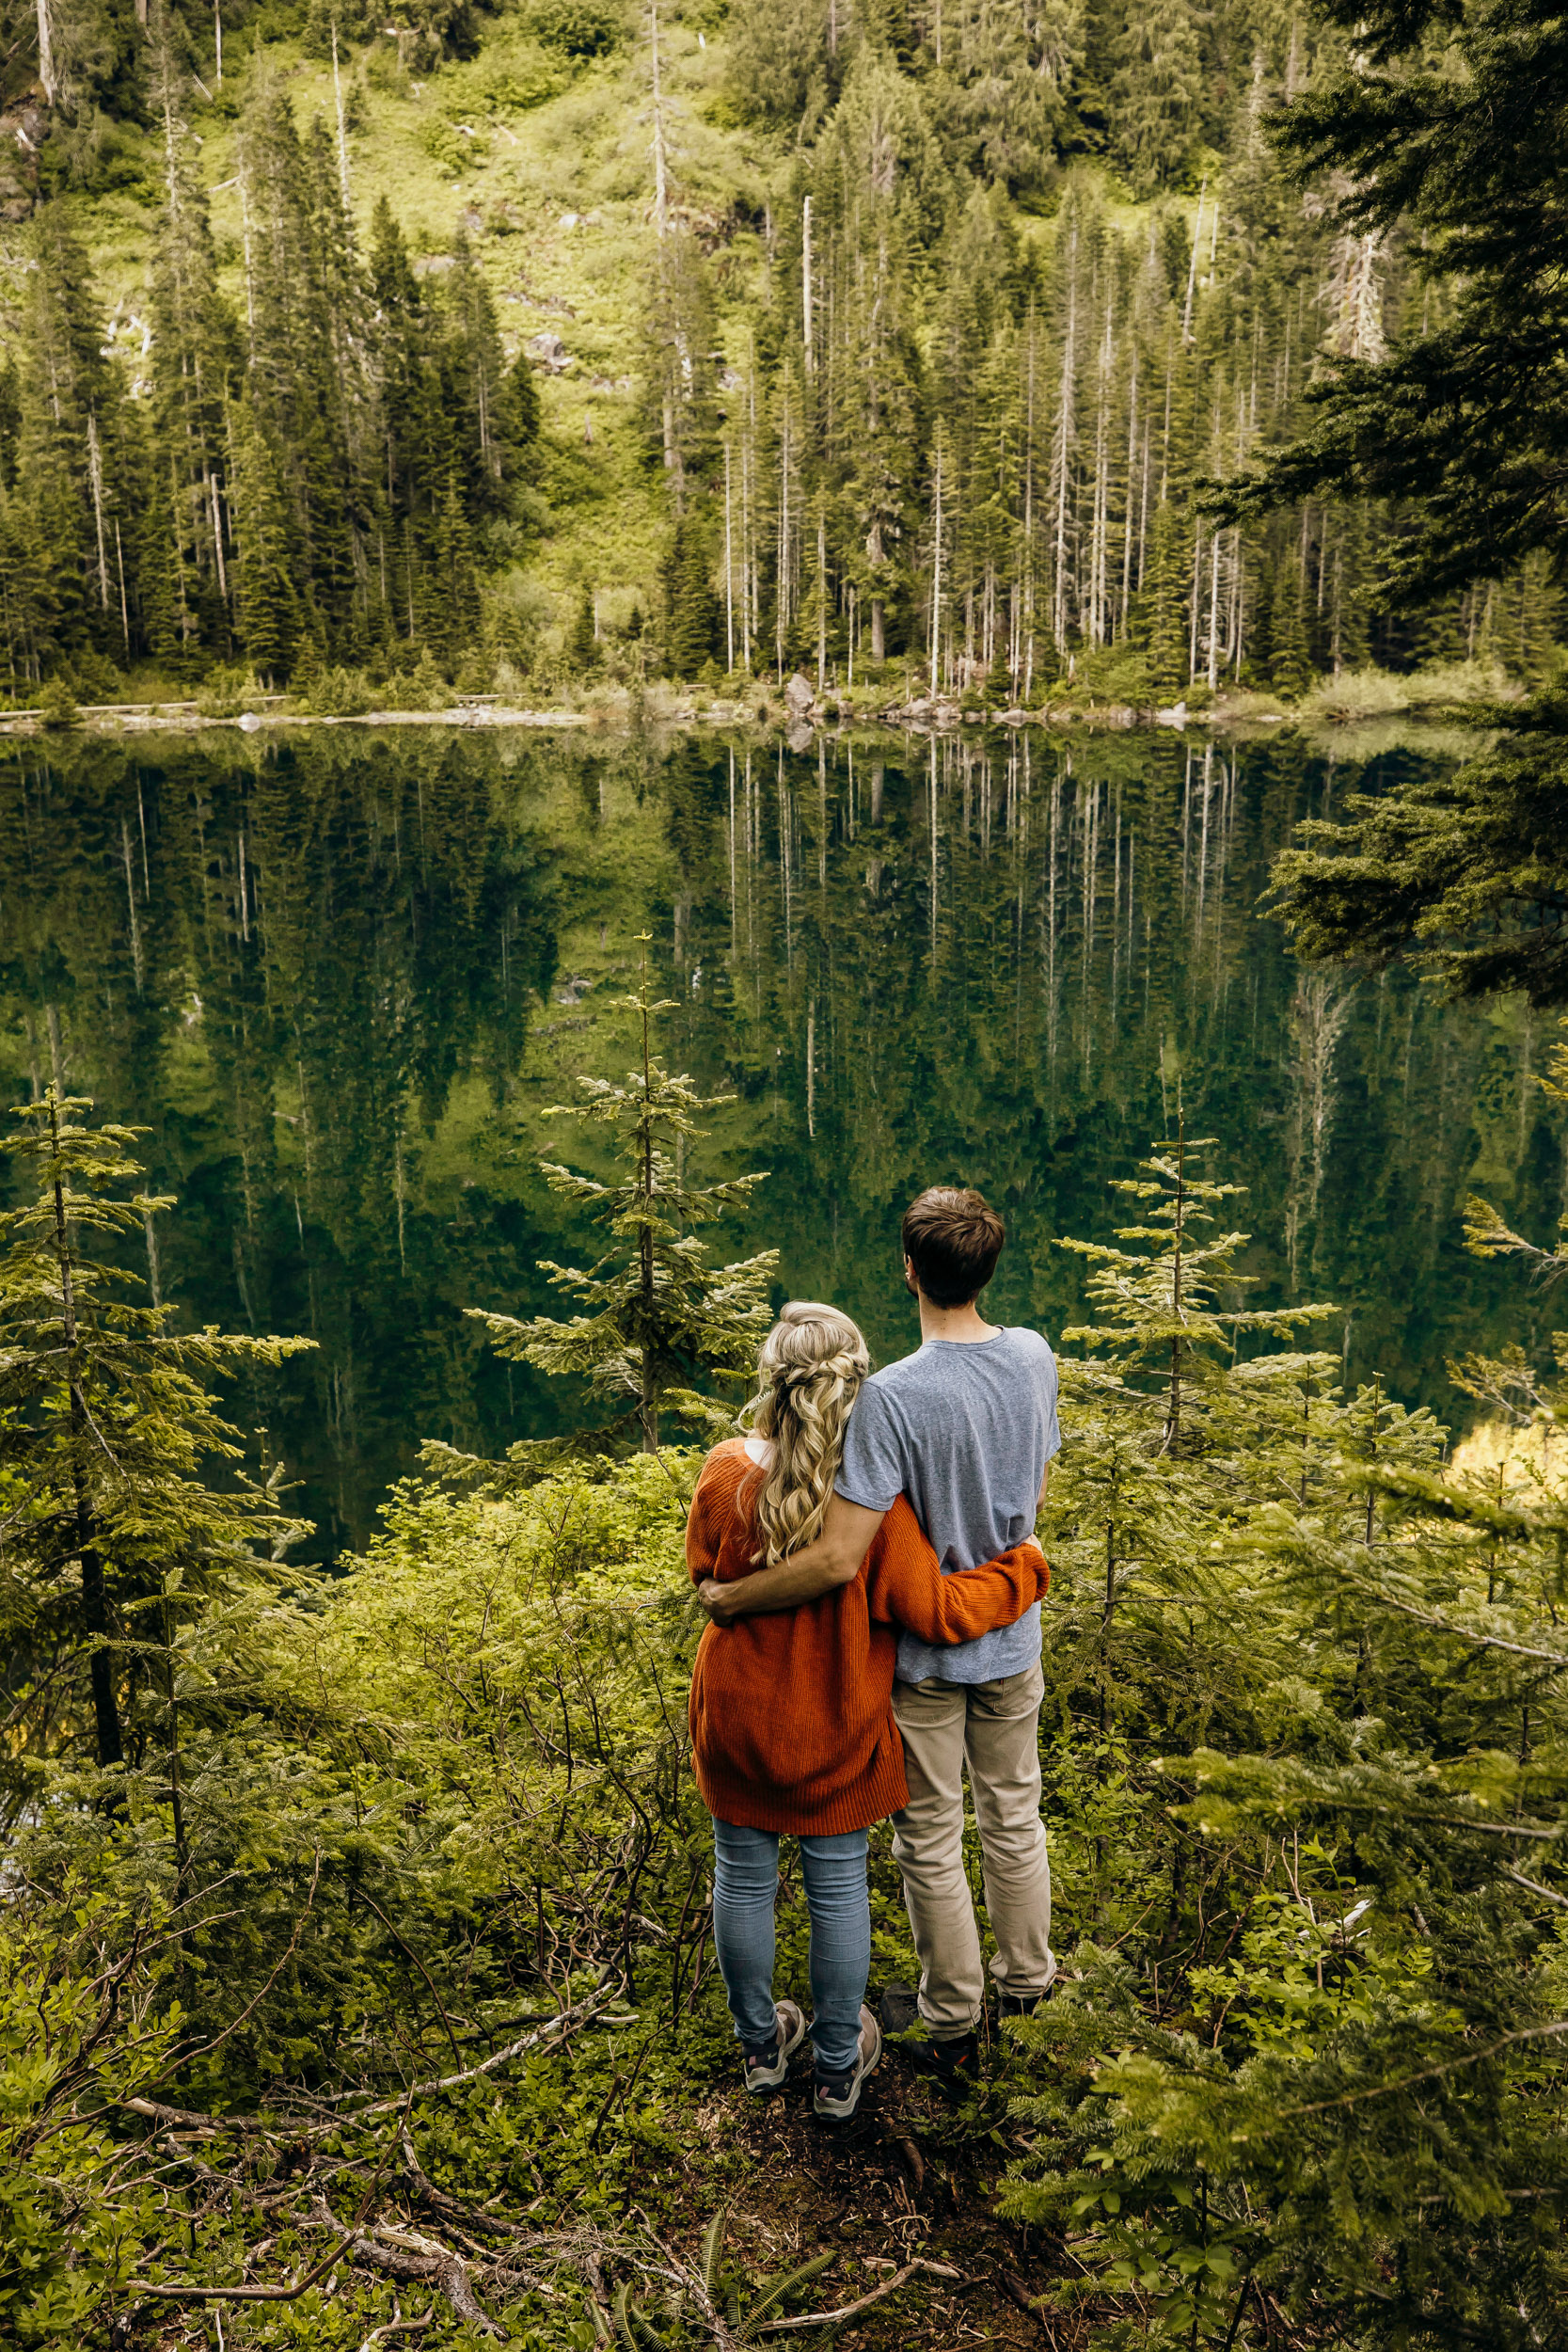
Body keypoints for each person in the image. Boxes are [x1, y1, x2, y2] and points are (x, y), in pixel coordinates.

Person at [699, 1187, 1059, 2085]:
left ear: (909, 1271)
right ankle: (1027, 1985)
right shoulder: (1033, 1355)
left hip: (929, 1664)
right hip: (1011, 1635)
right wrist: (1019, 1564)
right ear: (988, 1268)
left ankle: (951, 2012)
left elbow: (835, 1558)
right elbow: (1036, 1491)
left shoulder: (892, 1398)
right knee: (1015, 1813)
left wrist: (730, 1599)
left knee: (931, 1835)